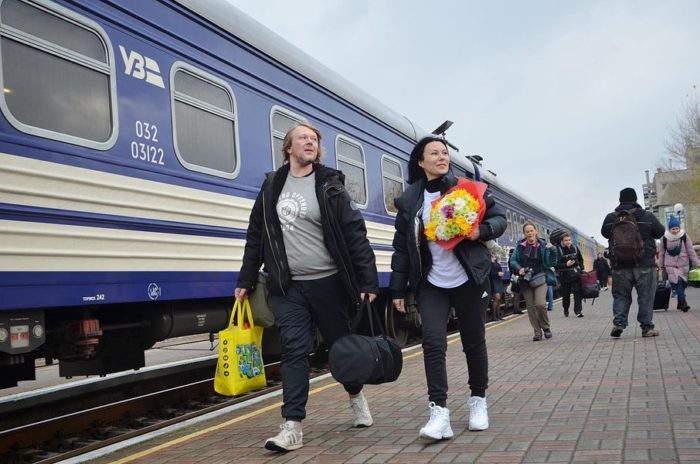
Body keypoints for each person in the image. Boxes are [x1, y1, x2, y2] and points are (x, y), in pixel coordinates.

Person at [235, 123, 379, 452]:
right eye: (303, 138)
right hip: (288, 287)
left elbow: (355, 232)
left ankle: (356, 396)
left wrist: (367, 279)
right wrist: (245, 280)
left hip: (328, 283)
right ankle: (292, 425)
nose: (310, 142)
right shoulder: (272, 186)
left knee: (340, 348)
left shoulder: (329, 184)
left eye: (314, 139)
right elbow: (256, 234)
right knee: (294, 351)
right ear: (289, 147)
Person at [390, 135, 506, 440]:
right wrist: (398, 290)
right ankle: (439, 413)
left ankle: (478, 401)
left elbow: (498, 218)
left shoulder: (464, 189)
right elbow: (401, 248)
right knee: (433, 343)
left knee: (473, 341)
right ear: (420, 161)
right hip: (432, 282)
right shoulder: (409, 201)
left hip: (469, 278)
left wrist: (480, 231)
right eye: (434, 153)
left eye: (444, 153)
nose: (442, 157)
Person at [601, 187, 664, 338]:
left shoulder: (611, 218)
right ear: (635, 199)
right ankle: (647, 327)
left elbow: (604, 233)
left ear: (620, 200)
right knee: (646, 296)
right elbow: (660, 232)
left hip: (620, 265)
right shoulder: (646, 216)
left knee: (621, 295)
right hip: (644, 264)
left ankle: (619, 323)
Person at [510, 222, 557, 341]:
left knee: (540, 304)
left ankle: (546, 327)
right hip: (526, 280)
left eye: (531, 231)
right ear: (524, 234)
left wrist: (553, 250)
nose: (530, 233)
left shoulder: (543, 245)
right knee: (530, 307)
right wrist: (519, 268)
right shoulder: (520, 246)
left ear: (536, 232)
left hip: (540, 277)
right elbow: (513, 260)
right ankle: (537, 332)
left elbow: (552, 262)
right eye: (527, 232)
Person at [659, 215, 699, 311]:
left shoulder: (684, 236)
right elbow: (661, 253)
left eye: (677, 228)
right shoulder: (664, 238)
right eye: (673, 229)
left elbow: (691, 251)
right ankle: (684, 304)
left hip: (683, 264)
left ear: (679, 228)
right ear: (669, 229)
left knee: (683, 284)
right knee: (678, 283)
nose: (676, 230)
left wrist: (697, 262)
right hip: (670, 265)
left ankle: (680, 303)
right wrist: (660, 265)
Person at [555, 232, 584, 317]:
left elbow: (580, 259)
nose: (568, 242)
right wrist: (566, 265)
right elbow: (556, 264)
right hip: (564, 275)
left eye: (569, 240)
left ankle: (578, 311)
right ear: (562, 241)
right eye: (566, 240)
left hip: (575, 274)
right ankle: (566, 309)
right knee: (566, 295)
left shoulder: (574, 248)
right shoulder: (558, 250)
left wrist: (581, 268)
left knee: (577, 293)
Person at [508, 248, 523, 314]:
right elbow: (515, 269)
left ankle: (516, 309)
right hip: (515, 277)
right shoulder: (512, 260)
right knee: (516, 294)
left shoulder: (510, 260)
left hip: (514, 277)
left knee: (516, 294)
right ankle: (516, 309)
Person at [490, 255, 505, 320]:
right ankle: (494, 316)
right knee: (496, 298)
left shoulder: (497, 263)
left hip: (499, 281)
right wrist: (497, 273)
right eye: (492, 256)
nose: (494, 257)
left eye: (495, 256)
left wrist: (501, 274)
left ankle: (498, 315)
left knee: (499, 300)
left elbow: (500, 270)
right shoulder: (489, 264)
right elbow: (489, 273)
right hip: (493, 282)